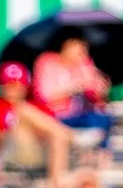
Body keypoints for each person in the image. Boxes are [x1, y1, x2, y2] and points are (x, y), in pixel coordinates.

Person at [30, 37, 114, 177]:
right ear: (67, 46)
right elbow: (44, 96)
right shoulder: (47, 62)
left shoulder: (85, 65)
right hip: (56, 116)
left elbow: (98, 95)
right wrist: (73, 88)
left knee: (103, 117)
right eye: (79, 49)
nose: (83, 53)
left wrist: (99, 83)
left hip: (81, 116)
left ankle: (100, 165)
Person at [0, 61, 66, 185]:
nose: (12, 89)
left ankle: (57, 185)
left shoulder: (38, 105)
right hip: (7, 152)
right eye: (8, 85)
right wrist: (13, 130)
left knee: (55, 135)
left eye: (17, 85)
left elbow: (48, 133)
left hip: (37, 151)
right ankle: (70, 136)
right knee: (23, 111)